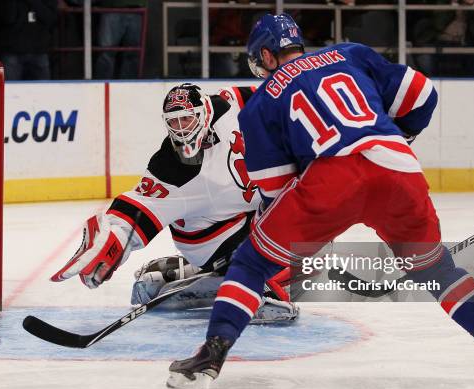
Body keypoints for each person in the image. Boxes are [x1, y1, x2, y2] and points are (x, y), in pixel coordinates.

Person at [166, 13, 474, 389]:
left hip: (331, 180)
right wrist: (398, 136)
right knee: (436, 268)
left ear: (268, 56)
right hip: (398, 168)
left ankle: (210, 357)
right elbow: (421, 94)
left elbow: (274, 186)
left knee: (252, 263)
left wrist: (276, 236)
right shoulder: (350, 53)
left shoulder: (260, 102)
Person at [51, 83, 298, 324]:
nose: (181, 129)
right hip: (211, 237)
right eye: (173, 121)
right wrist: (110, 245)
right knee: (295, 266)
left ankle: (189, 272)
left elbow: (267, 94)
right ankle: (243, 281)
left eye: (186, 119)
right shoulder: (171, 168)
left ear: (204, 114)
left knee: (313, 252)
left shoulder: (225, 106)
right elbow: (136, 210)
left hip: (245, 213)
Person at [0, 0, 58, 80]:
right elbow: (8, 18)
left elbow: (50, 19)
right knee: (10, 90)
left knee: (43, 90)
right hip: (12, 51)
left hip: (39, 51)